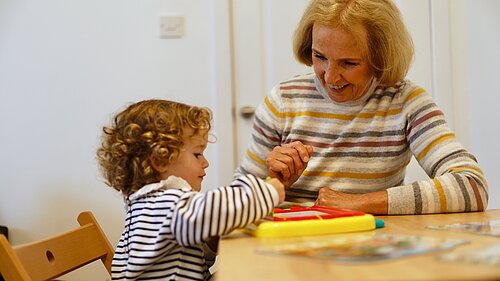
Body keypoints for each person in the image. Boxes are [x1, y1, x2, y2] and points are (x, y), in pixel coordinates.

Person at [234, 0, 488, 215]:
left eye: (349, 63)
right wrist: (273, 184)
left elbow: (472, 186)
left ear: (380, 58)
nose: (331, 77)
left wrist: (358, 203)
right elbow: (233, 203)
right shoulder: (282, 101)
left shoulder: (406, 101)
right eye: (319, 56)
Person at [97, 99, 285, 280]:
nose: (205, 163)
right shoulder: (163, 205)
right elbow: (214, 209)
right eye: (197, 154)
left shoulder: (149, 204)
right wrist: (267, 191)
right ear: (159, 161)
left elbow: (184, 261)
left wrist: (210, 244)